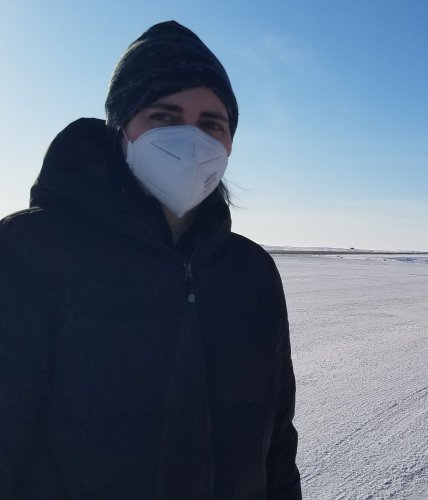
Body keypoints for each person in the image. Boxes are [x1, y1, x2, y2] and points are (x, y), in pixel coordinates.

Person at [0, 21, 301, 499]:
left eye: (212, 124)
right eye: (164, 116)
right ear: (122, 130)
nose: (191, 140)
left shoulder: (251, 271)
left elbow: (277, 442)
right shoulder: (29, 253)